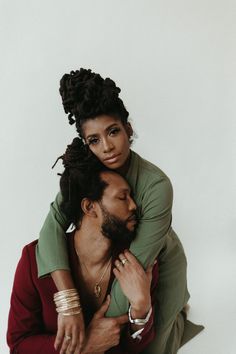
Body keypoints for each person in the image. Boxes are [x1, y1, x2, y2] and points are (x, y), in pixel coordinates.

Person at [36, 68, 204, 354]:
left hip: (153, 256)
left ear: (127, 128)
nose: (107, 148)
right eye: (94, 140)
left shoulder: (157, 186)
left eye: (113, 131)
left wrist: (94, 335)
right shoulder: (86, 174)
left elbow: (132, 266)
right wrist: (69, 304)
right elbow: (52, 227)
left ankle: (177, 316)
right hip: (105, 267)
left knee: (151, 344)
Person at [7, 138, 159, 354]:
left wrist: (141, 308)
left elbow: (136, 348)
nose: (134, 206)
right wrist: (83, 347)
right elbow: (18, 344)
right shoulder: (33, 260)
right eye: (122, 197)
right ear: (89, 207)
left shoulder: (136, 262)